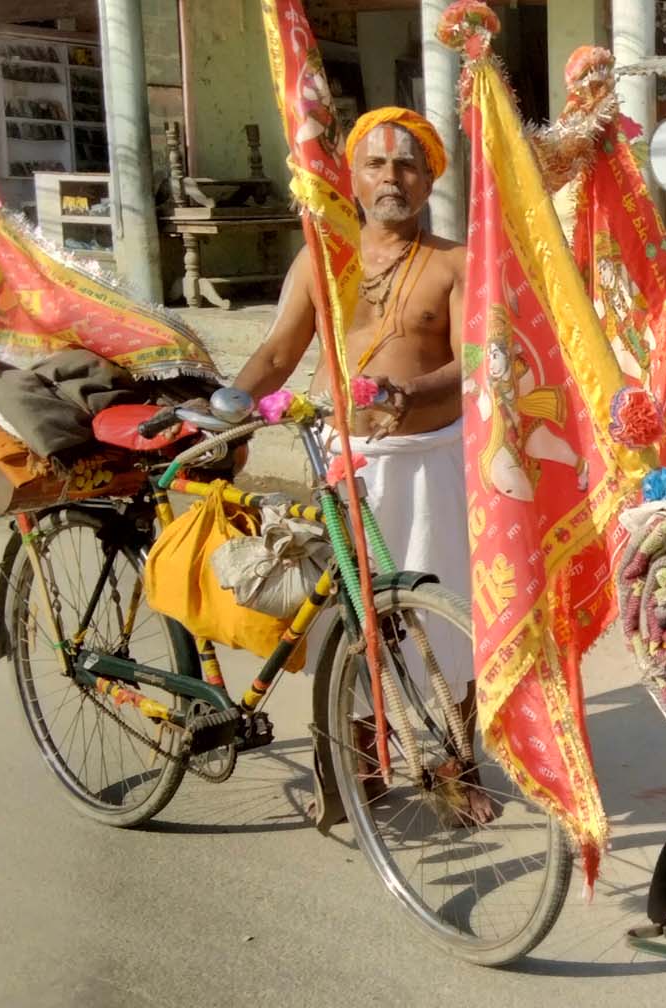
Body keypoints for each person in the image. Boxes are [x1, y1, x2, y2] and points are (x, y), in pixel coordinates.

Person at [228, 107, 486, 822]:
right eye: (375, 163)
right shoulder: (321, 258)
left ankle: (455, 772)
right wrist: (228, 399)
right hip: (342, 461)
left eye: (407, 163)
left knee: (439, 623)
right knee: (346, 627)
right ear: (353, 176)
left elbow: (474, 366)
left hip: (429, 462)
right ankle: (357, 774)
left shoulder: (456, 263)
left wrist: (412, 392)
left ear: (431, 175)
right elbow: (280, 352)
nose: (391, 177)